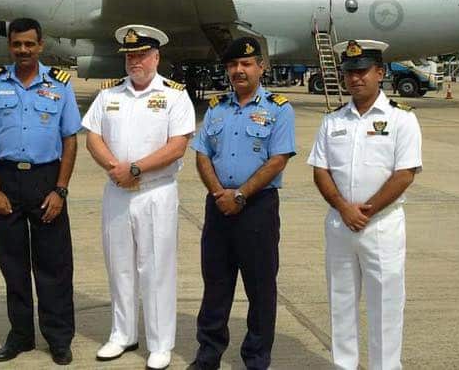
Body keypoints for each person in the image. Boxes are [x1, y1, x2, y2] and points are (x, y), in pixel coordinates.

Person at [82, 25, 196, 370]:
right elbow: (93, 137)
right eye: (130, 56)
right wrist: (117, 169)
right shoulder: (108, 95)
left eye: (142, 55)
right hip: (117, 191)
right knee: (119, 265)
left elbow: (177, 146)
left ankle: (160, 343)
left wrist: (136, 170)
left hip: (155, 193)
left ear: (156, 57)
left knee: (156, 268)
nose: (135, 62)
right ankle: (122, 333)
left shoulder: (175, 96)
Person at [0, 18, 81, 365]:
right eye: (17, 44)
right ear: (10, 46)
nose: (22, 51)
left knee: (55, 266)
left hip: (46, 179)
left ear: (40, 45)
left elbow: (70, 139)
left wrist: (60, 190)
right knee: (13, 266)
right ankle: (20, 336)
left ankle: (59, 338)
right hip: (6, 182)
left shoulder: (60, 86)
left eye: (29, 44)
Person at [306, 40, 422, 370]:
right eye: (349, 73)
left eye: (363, 71)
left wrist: (365, 211)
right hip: (340, 224)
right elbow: (320, 170)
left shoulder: (401, 119)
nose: (355, 78)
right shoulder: (333, 120)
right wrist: (344, 208)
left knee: (385, 304)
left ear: (380, 73)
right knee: (341, 301)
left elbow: (404, 174)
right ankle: (344, 365)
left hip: (382, 225)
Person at [187, 37, 296, 370]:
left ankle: (256, 358)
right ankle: (208, 356)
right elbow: (202, 153)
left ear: (260, 67)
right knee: (216, 285)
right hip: (218, 206)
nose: (239, 70)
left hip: (257, 208)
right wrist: (220, 192)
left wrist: (241, 194)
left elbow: (278, 159)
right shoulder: (217, 108)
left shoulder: (279, 108)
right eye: (233, 65)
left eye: (246, 64)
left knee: (261, 288)